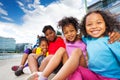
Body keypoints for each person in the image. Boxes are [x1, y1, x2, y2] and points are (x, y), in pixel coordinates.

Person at [27, 10, 120, 80]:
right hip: (80, 69)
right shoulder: (86, 39)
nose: (94, 26)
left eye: (99, 23)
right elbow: (59, 36)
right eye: (89, 24)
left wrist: (118, 34)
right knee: (61, 51)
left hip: (100, 73)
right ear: (85, 28)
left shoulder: (109, 40)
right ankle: (43, 77)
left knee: (77, 51)